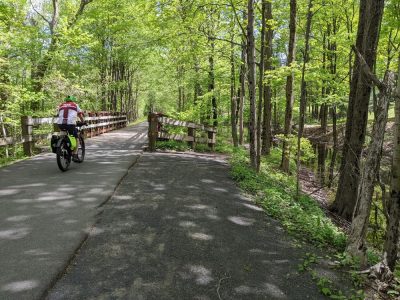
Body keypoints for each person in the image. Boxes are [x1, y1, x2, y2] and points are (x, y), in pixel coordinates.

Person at [57, 95, 85, 160]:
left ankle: (62, 146)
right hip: (70, 124)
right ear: (73, 100)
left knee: (63, 135)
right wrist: (83, 121)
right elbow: (80, 114)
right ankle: (75, 154)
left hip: (60, 124)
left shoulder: (61, 105)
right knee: (76, 138)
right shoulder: (75, 105)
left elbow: (59, 114)